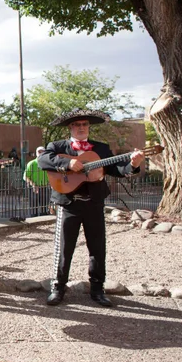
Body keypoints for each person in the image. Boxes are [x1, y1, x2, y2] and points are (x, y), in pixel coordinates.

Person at [38, 109, 144, 308]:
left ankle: (97, 289)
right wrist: (68, 162)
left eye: (84, 124)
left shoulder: (101, 149)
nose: (81, 128)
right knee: (64, 248)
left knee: (97, 248)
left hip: (94, 203)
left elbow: (117, 169)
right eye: (77, 125)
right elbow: (43, 160)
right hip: (68, 203)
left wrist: (132, 165)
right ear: (70, 127)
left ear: (88, 127)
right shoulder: (58, 146)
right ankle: (58, 287)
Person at [23, 146, 50, 217]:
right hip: (33, 188)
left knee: (44, 208)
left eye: (42, 152)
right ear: (36, 153)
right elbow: (25, 176)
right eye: (39, 152)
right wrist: (33, 185)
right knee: (33, 208)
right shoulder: (31, 163)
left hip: (44, 187)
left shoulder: (47, 164)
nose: (41, 153)